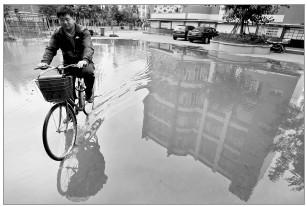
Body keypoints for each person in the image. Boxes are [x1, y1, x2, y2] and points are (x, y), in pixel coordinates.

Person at [37, 6, 95, 103]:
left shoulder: (83, 31)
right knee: (66, 91)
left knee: (89, 72)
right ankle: (70, 113)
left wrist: (85, 60)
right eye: (61, 20)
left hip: (83, 61)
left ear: (73, 18)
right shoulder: (57, 34)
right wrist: (44, 62)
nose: (65, 22)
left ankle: (89, 93)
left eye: (67, 19)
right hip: (68, 64)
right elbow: (51, 48)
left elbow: (88, 47)